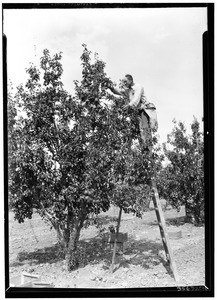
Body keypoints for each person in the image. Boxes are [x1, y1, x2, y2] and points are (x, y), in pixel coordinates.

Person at [107, 74, 157, 152]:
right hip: (136, 112)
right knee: (137, 130)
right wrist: (111, 88)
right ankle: (142, 149)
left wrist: (128, 105)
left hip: (144, 110)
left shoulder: (138, 87)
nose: (124, 83)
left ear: (131, 80)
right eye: (123, 82)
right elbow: (118, 91)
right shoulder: (127, 90)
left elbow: (136, 99)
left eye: (125, 81)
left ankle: (148, 148)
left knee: (145, 128)